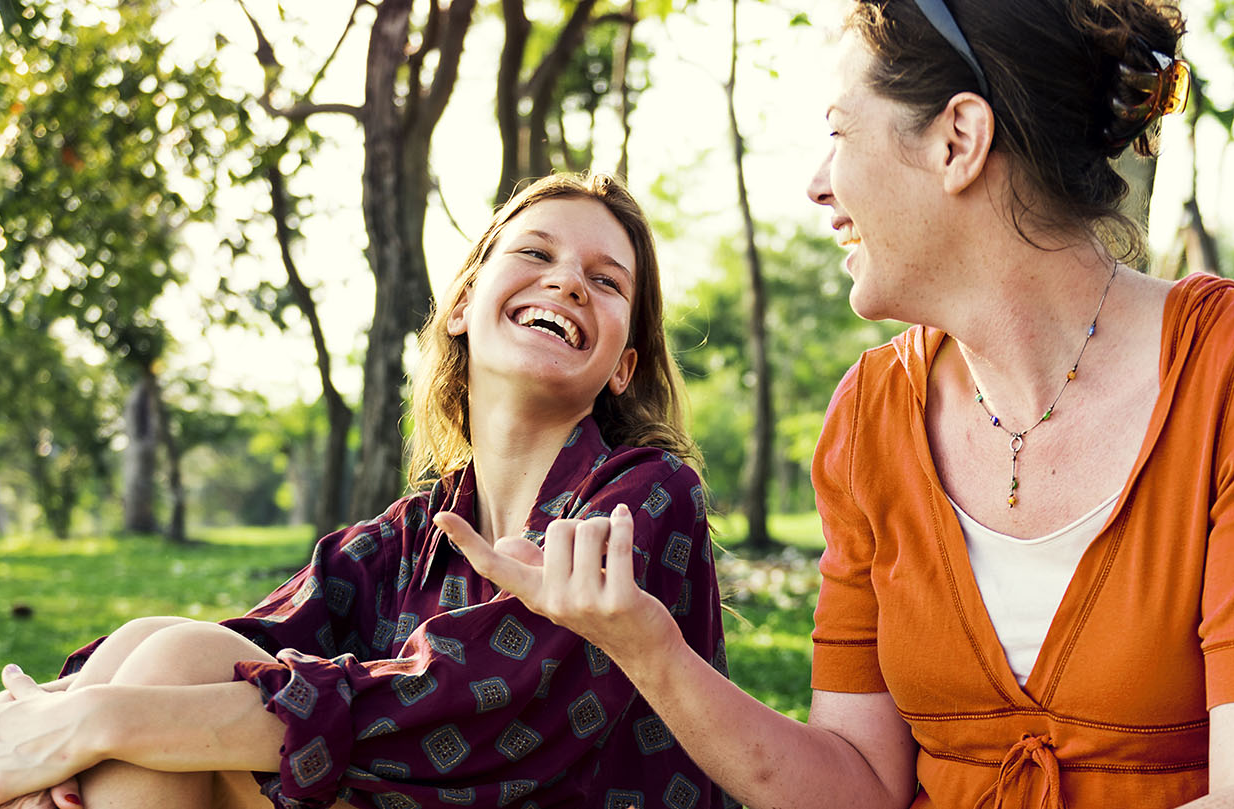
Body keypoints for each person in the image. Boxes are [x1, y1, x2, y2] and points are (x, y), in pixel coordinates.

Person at [441, 1, 1234, 807]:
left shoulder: (1223, 377)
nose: (817, 185)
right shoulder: (871, 416)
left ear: (957, 140)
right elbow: (859, 780)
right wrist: (649, 648)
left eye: (839, 133)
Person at [0, 172, 732, 809]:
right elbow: (261, 626)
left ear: (622, 366)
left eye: (605, 279)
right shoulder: (422, 524)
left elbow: (477, 707)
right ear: (462, 306)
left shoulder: (642, 496)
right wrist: (45, 706)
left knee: (165, 679)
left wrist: (94, 718)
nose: (566, 283)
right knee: (168, 644)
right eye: (535, 253)